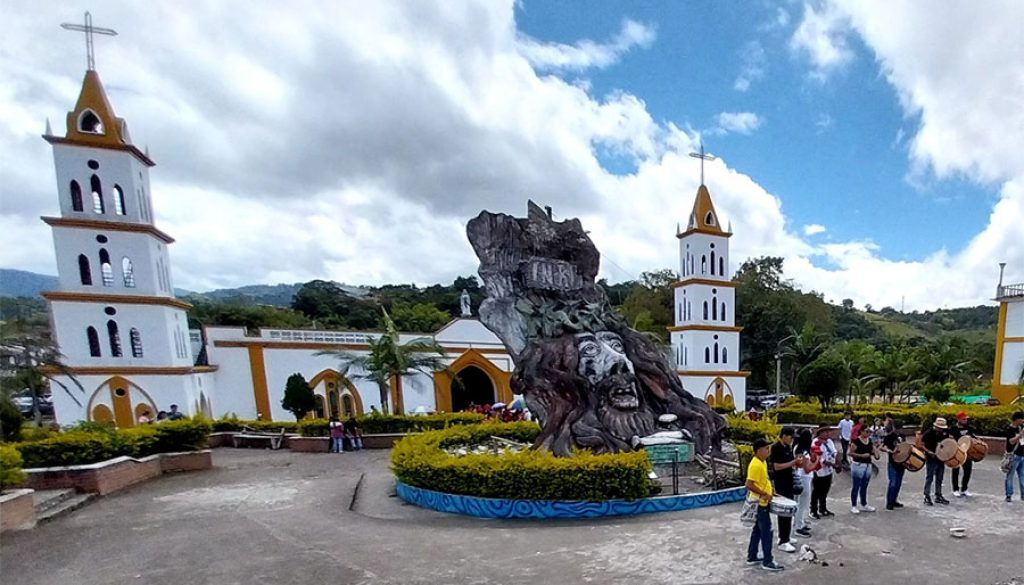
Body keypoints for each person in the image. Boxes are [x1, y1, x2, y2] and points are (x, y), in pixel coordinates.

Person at [745, 438, 784, 572]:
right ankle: (768, 561)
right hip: (759, 504)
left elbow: (764, 479)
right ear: (758, 451)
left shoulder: (763, 462)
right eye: (766, 449)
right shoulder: (755, 465)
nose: (768, 451)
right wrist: (764, 494)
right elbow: (749, 484)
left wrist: (770, 490)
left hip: (763, 502)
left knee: (757, 531)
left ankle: (752, 556)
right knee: (767, 532)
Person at [770, 427, 804, 553]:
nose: (792, 439)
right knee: (784, 512)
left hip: (789, 482)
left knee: (789, 511)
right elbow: (776, 467)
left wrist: (796, 463)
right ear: (784, 436)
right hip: (781, 484)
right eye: (790, 437)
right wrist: (792, 462)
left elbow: (789, 463)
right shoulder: (776, 448)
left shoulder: (788, 448)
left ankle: (786, 536)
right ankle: (783, 540)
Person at [920, 417, 951, 505]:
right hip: (931, 458)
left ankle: (938, 495)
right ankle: (927, 495)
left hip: (941, 458)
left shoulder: (944, 433)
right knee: (930, 477)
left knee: (939, 478)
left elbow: (947, 443)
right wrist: (928, 451)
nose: (941, 430)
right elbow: (921, 444)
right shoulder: (929, 433)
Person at [849, 425, 878, 513]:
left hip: (867, 464)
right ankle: (853, 505)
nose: (868, 433)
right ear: (861, 431)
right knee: (856, 485)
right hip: (858, 464)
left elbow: (874, 453)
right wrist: (861, 455)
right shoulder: (856, 441)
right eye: (866, 431)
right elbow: (850, 453)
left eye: (869, 432)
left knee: (864, 485)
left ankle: (864, 503)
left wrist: (875, 451)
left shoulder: (870, 441)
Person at [793, 428, 817, 537]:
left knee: (799, 502)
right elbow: (807, 468)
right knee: (802, 504)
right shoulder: (804, 451)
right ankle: (798, 527)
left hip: (800, 476)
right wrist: (816, 461)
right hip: (804, 477)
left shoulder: (797, 448)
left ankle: (799, 522)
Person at [880, 419, 907, 510]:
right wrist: (890, 451)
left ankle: (894, 500)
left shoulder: (903, 436)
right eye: (898, 428)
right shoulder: (889, 437)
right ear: (894, 427)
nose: (899, 431)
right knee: (893, 483)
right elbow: (881, 447)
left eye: (900, 429)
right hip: (892, 462)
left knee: (898, 483)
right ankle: (889, 502)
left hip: (902, 462)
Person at [810, 427, 837, 519]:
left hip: (828, 470)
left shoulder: (829, 441)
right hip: (819, 470)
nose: (827, 434)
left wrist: (837, 460)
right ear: (820, 433)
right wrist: (830, 463)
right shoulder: (815, 442)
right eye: (826, 432)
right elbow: (818, 457)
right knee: (817, 491)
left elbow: (834, 452)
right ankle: (813, 510)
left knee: (825, 490)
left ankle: (823, 508)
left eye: (828, 432)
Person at [950, 412, 976, 497]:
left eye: (966, 419)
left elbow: (973, 437)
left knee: (967, 471)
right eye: (963, 419)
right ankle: (955, 489)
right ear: (958, 420)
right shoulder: (953, 429)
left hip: (967, 452)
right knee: (956, 471)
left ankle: (964, 488)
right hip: (957, 452)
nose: (965, 421)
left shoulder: (969, 428)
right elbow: (950, 439)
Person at [1005, 411, 1024, 503]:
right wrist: (1020, 435)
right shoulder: (1010, 429)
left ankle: (1023, 495)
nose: (1023, 420)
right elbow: (1011, 442)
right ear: (1017, 420)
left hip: (1022, 455)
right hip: (1013, 455)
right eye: (1022, 419)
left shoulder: (1020, 428)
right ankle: (1009, 495)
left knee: (1022, 475)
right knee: (1010, 476)